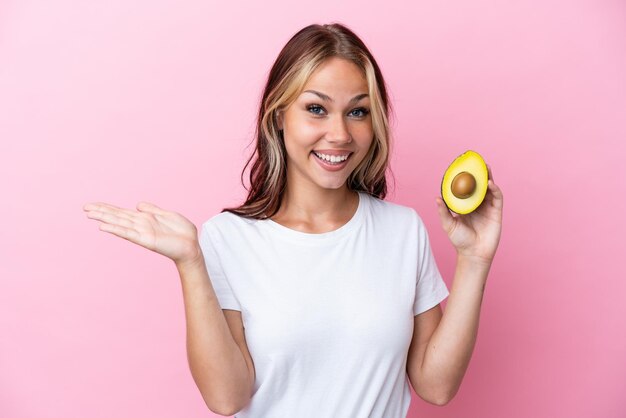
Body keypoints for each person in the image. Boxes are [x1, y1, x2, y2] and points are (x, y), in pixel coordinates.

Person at [83, 22, 503, 418]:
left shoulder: (402, 230)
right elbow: (226, 398)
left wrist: (474, 259)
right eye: (316, 109)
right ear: (279, 115)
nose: (339, 134)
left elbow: (437, 386)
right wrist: (190, 262)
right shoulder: (227, 239)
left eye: (357, 112)